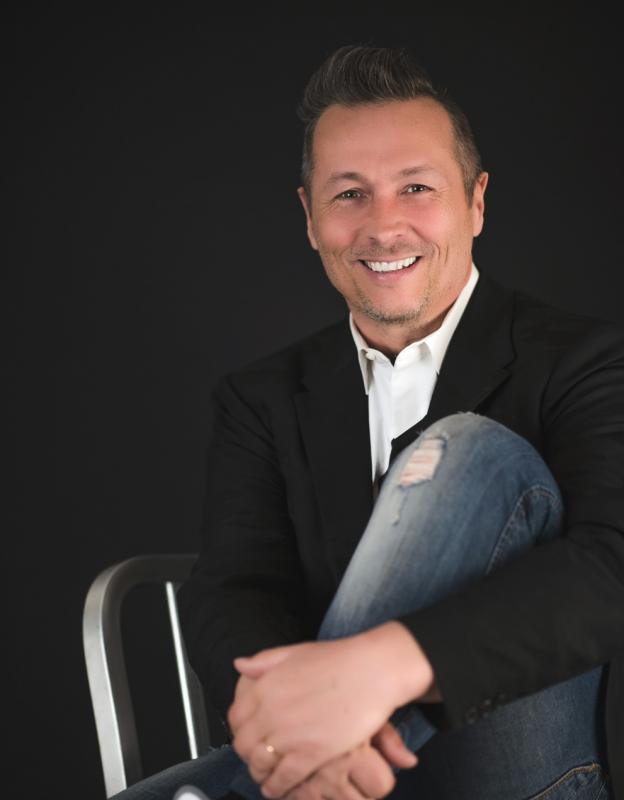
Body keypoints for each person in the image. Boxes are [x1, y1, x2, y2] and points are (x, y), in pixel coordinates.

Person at [113, 46, 624, 800]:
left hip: (518, 777)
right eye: (349, 194)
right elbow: (234, 589)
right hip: (329, 781)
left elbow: (612, 566)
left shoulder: (586, 360)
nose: (384, 227)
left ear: (476, 202)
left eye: (416, 187)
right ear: (310, 218)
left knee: (466, 450)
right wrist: (291, 739)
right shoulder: (260, 397)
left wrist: (384, 666)